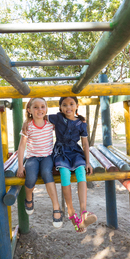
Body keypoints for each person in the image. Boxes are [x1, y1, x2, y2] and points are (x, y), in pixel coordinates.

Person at [48, 96, 97, 233]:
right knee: (65, 173)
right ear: (60, 107)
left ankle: (83, 212)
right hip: (61, 151)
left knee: (81, 172)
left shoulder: (81, 123)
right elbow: (39, 116)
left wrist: (87, 162)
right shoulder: (57, 118)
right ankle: (71, 211)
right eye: (64, 105)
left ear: (77, 106)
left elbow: (85, 143)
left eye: (71, 104)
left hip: (75, 152)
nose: (68, 107)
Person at [16, 97, 63, 228]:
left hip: (48, 156)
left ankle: (56, 207)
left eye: (42, 106)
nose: (39, 109)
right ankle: (29, 198)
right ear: (29, 110)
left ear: (46, 109)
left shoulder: (50, 124)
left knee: (47, 172)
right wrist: (20, 166)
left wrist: (79, 118)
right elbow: (21, 147)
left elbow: (66, 119)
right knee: (30, 176)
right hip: (32, 158)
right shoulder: (28, 126)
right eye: (35, 107)